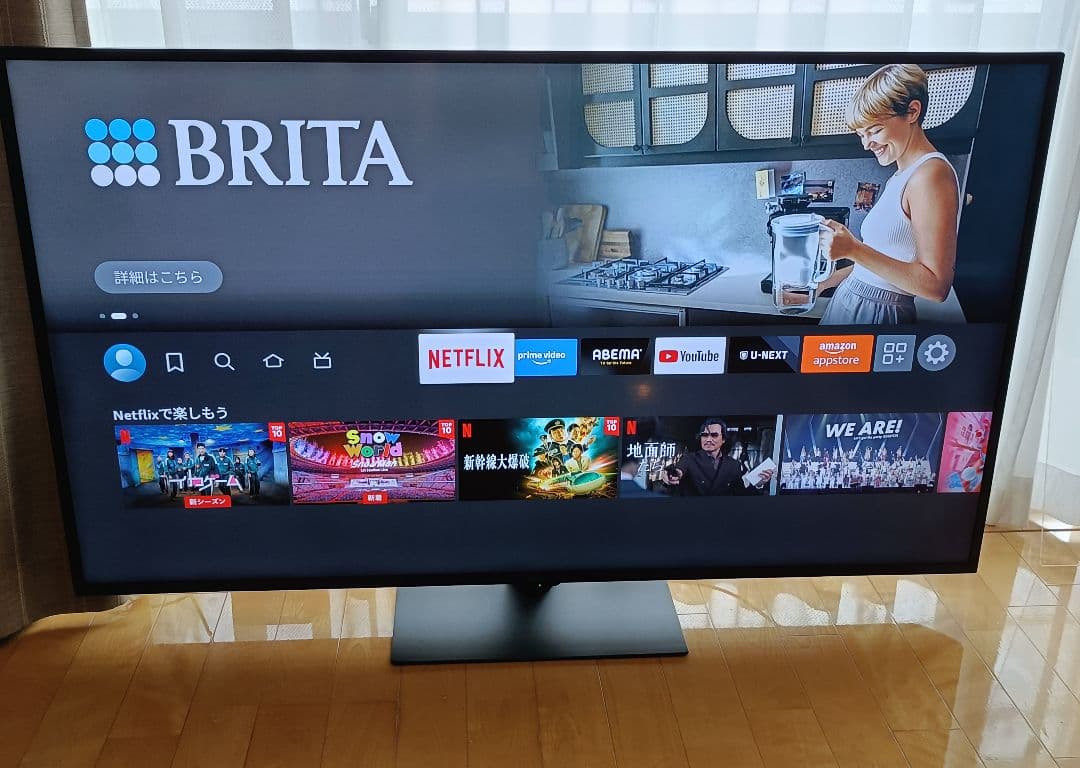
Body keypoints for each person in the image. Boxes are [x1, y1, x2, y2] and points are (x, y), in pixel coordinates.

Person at [818, 64, 960, 325]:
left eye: (874, 130)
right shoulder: (901, 175)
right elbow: (877, 266)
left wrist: (854, 249)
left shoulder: (930, 175)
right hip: (855, 300)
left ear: (912, 112)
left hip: (879, 313)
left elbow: (936, 286)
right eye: (861, 134)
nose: (866, 144)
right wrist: (823, 284)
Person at [661, 418, 773, 496]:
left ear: (723, 439)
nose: (708, 439)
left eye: (714, 435)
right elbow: (679, 469)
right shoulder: (689, 459)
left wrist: (758, 484)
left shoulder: (733, 465)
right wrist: (672, 475)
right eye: (704, 435)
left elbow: (741, 494)